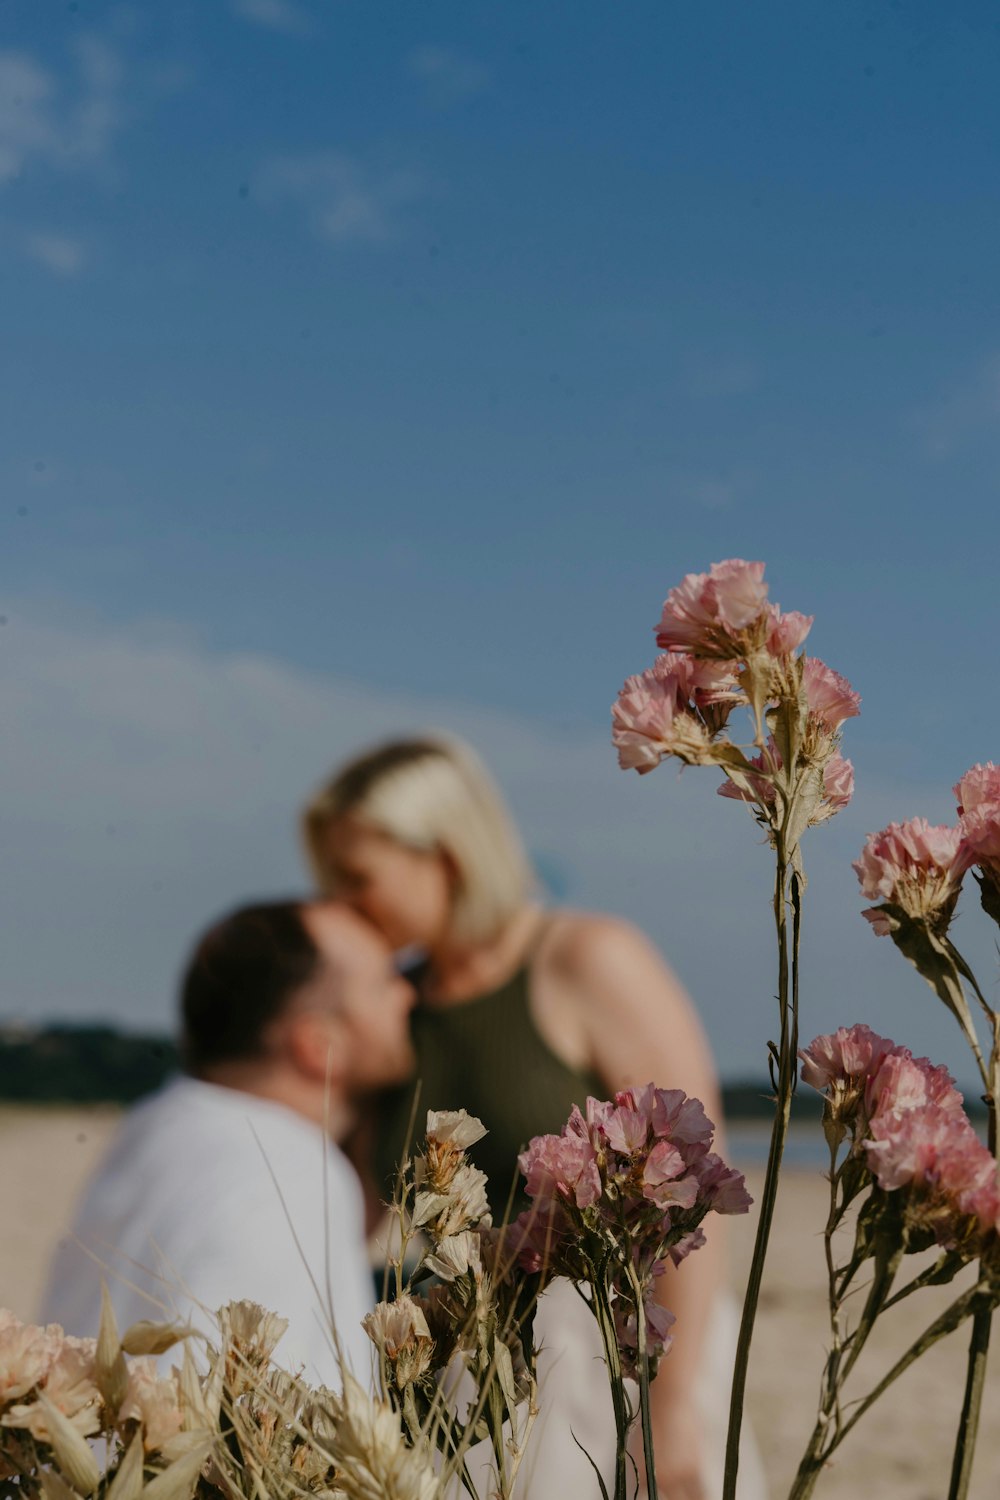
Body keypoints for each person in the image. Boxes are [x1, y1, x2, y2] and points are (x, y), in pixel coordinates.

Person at [301, 736, 767, 1500]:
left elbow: (694, 1195)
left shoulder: (587, 959)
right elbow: (350, 1206)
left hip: (615, 1359)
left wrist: (673, 1412)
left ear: (445, 855)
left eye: (356, 879)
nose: (340, 906)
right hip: (458, 1368)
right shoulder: (391, 1009)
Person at [43, 899, 415, 1389]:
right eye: (382, 983)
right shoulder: (290, 1171)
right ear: (318, 1045)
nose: (407, 995)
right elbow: (242, 1418)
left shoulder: (156, 1123)